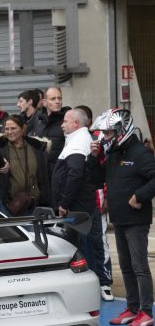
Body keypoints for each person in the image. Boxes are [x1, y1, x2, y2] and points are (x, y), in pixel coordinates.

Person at [90, 109, 155, 326]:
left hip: (136, 221)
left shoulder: (140, 153)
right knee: (126, 267)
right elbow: (97, 179)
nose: (105, 137)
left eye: (108, 133)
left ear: (121, 130)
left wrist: (140, 196)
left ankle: (146, 311)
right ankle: (133, 307)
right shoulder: (114, 153)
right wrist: (93, 157)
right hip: (119, 219)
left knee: (139, 267)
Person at [51, 109, 110, 294]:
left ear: (76, 123)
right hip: (81, 204)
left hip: (80, 206)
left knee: (88, 244)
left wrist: (65, 203)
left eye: (66, 121)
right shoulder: (77, 139)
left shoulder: (79, 142)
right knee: (86, 243)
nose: (62, 124)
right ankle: (97, 283)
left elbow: (75, 174)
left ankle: (97, 284)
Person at [0, 114, 50, 216]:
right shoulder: (0, 148)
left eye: (13, 128)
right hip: (10, 206)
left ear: (23, 128)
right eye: (6, 129)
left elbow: (44, 177)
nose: (9, 132)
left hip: (35, 206)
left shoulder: (36, 147)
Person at [35, 87, 71, 173]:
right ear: (44, 102)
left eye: (59, 98)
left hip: (61, 173)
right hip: (43, 174)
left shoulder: (68, 121)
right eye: (53, 99)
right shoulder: (39, 123)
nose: (57, 101)